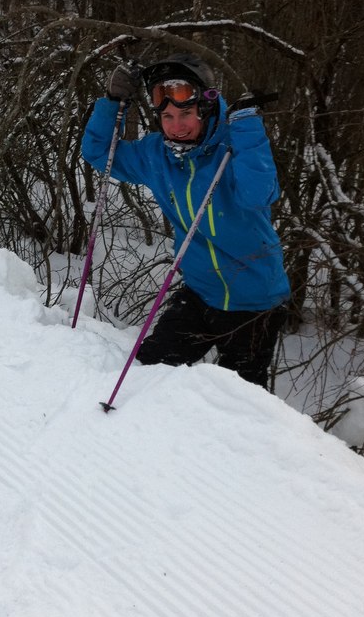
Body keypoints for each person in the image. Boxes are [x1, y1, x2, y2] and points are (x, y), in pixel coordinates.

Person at [81, 52, 290, 390]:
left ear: (205, 109)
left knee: (238, 401)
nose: (176, 126)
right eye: (167, 116)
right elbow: (99, 155)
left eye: (186, 114)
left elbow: (258, 195)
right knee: (146, 373)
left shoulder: (233, 148)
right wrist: (111, 104)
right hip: (199, 294)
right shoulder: (157, 156)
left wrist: (248, 126)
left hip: (255, 306)